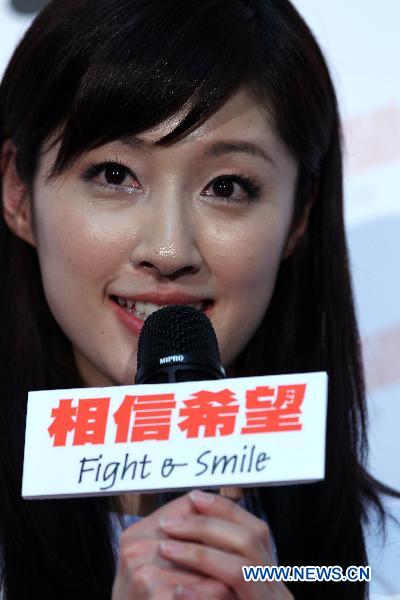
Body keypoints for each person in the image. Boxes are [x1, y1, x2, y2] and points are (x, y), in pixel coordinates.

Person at [0, 0, 398, 598]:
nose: (168, 249)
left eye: (227, 186)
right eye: (113, 175)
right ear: (19, 192)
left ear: (299, 216)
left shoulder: (373, 558)